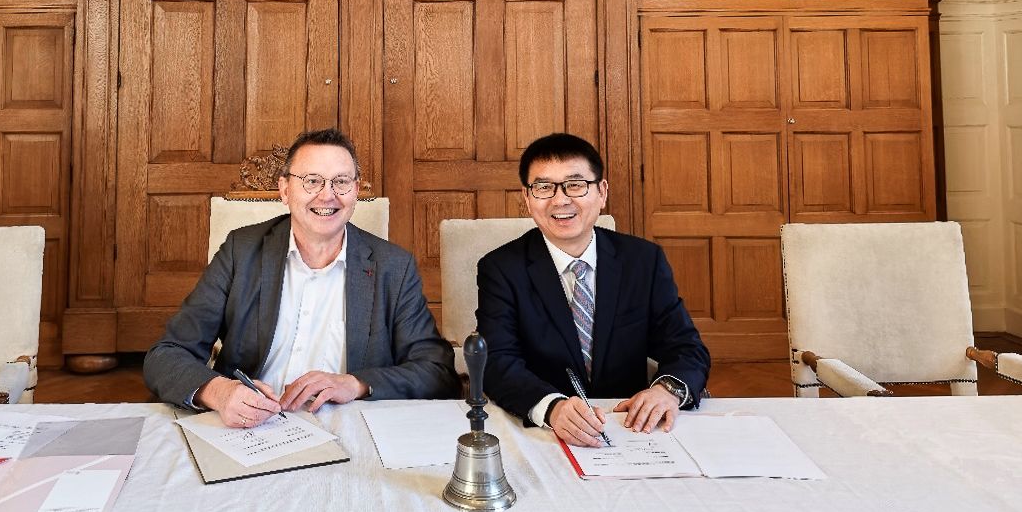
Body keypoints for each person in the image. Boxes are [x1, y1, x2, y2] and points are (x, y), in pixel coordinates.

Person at [144, 128, 458, 426]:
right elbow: (167, 355)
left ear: (356, 191)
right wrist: (220, 392)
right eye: (312, 181)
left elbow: (437, 371)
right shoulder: (241, 252)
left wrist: (357, 383)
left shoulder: (394, 266)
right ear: (285, 189)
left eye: (341, 182)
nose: (327, 195)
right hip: (251, 428)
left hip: (349, 425)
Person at [476, 132, 710, 447]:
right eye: (544, 187)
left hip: (629, 428)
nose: (560, 200)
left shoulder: (643, 260)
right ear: (527, 198)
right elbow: (497, 361)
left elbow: (686, 347)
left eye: (575, 185)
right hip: (543, 433)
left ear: (602, 192)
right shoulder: (501, 268)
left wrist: (667, 390)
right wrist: (552, 408)